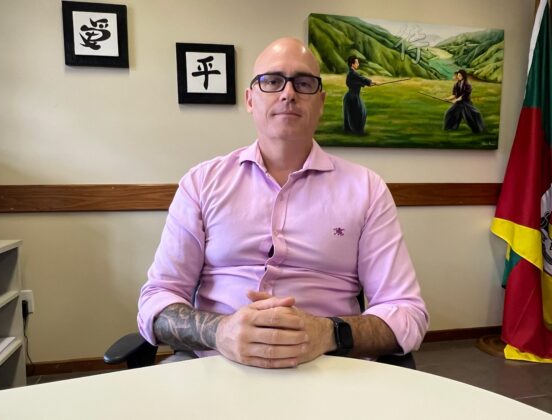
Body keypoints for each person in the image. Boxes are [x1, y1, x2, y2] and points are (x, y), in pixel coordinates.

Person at [138, 37, 428, 369]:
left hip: (331, 369)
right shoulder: (201, 183)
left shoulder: (367, 189)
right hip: (214, 365)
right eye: (272, 81)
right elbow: (156, 300)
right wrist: (220, 331)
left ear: (321, 102)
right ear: (250, 99)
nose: (288, 93)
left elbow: (407, 312)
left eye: (303, 83)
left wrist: (327, 332)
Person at [343, 55, 377, 134]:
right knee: (360, 112)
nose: (358, 64)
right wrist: (373, 82)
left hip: (352, 96)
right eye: (357, 63)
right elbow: (361, 78)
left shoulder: (351, 73)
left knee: (356, 112)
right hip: (352, 97)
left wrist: (368, 84)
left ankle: (353, 130)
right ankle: (357, 130)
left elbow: (356, 82)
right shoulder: (352, 73)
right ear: (352, 64)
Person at [443, 69, 485, 133]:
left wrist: (455, 100)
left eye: (459, 75)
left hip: (466, 103)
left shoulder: (468, 85)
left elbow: (463, 96)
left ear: (463, 76)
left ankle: (478, 130)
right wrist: (447, 98)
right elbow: (454, 95)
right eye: (458, 75)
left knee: (471, 116)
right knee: (449, 113)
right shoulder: (456, 84)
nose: (458, 77)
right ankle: (450, 128)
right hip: (458, 103)